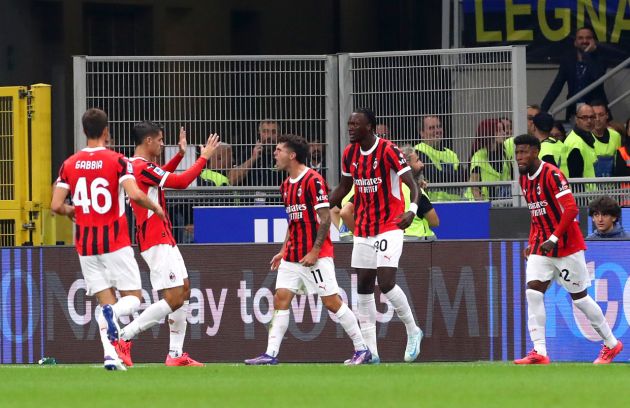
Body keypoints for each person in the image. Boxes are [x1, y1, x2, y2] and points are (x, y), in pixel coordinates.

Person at [50, 108, 166, 371]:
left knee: (105, 302)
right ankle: (111, 323)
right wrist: (156, 207)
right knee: (133, 299)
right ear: (106, 131)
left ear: (83, 131)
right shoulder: (118, 161)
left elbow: (56, 205)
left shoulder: (70, 163)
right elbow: (135, 194)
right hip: (114, 241)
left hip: (86, 244)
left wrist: (73, 211)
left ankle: (110, 356)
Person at [245, 134, 371, 365]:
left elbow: (324, 219)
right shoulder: (284, 186)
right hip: (293, 256)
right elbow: (294, 222)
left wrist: (314, 251)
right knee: (280, 298)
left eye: (279, 149)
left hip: (316, 255)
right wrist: (283, 250)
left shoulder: (313, 180)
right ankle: (271, 354)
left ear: (292, 155)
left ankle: (362, 349)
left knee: (332, 302)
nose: (275, 153)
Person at [111, 121, 220, 367]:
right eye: (160, 140)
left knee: (183, 290)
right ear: (148, 141)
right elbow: (179, 182)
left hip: (162, 237)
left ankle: (175, 354)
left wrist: (181, 155)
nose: (162, 144)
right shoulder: (140, 166)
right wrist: (202, 158)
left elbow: (160, 178)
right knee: (173, 297)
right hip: (154, 238)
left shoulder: (139, 167)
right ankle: (124, 336)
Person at [513, 134, 623, 364]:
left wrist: (553, 238)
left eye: (524, 152)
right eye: (517, 153)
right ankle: (540, 352)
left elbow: (571, 209)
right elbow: (537, 215)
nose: (519, 157)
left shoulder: (552, 174)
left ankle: (612, 344)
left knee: (580, 299)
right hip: (542, 246)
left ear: (536, 151)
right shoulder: (523, 179)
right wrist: (533, 243)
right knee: (533, 292)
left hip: (566, 246)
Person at [329, 108, 424, 364]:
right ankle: (370, 352)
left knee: (386, 282)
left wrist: (412, 210)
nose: (350, 127)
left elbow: (411, 183)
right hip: (363, 228)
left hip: (390, 225)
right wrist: (323, 204)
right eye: (348, 123)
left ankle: (413, 330)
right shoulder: (350, 153)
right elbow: (344, 187)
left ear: (369, 126)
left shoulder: (389, 150)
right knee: (363, 287)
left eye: (355, 124)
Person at [541, 26, 608, 120]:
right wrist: (543, 109)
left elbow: (596, 76)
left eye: (588, 38)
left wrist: (588, 54)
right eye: (580, 38)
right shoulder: (568, 60)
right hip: (574, 111)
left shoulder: (600, 59)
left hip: (596, 112)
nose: (584, 41)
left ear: (594, 40)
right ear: (575, 42)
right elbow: (557, 86)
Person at [413, 115, 462, 201]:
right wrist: (453, 177)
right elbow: (432, 175)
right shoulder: (418, 151)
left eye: (439, 126)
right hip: (434, 205)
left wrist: (443, 176)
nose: (437, 131)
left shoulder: (451, 153)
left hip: (456, 204)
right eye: (431, 128)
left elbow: (463, 177)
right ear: (422, 133)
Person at [467, 119, 512, 201]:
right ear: (489, 133)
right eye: (499, 130)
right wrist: (482, 206)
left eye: (503, 129)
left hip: (500, 203)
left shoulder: (504, 153)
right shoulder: (478, 156)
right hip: (481, 203)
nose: (503, 133)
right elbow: (474, 188)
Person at [564, 104, 597, 179]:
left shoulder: (587, 138)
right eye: (584, 117)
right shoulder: (575, 143)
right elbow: (575, 180)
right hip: (582, 190)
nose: (589, 121)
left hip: (591, 189)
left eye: (592, 117)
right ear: (576, 119)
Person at [591, 100, 621, 177]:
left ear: (607, 115)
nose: (597, 119)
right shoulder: (584, 137)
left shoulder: (616, 136)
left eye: (601, 115)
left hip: (613, 186)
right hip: (592, 186)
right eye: (594, 115)